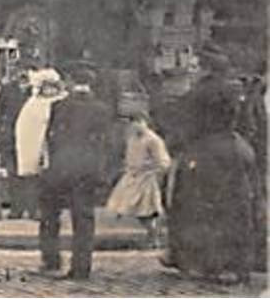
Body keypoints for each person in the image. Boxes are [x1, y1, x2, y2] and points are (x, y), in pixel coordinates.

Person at [165, 84, 261, 284]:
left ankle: (209, 264)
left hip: (218, 185)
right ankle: (232, 266)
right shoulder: (241, 145)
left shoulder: (204, 142)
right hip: (234, 188)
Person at [38, 65, 118, 280]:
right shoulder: (103, 109)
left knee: (49, 214)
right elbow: (109, 144)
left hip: (61, 169)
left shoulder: (59, 106)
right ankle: (82, 267)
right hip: (88, 171)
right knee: (84, 219)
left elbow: (51, 138)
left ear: (71, 81)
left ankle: (51, 259)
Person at [106, 111, 171, 249]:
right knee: (124, 205)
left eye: (137, 122)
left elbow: (164, 162)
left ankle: (154, 238)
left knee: (146, 211)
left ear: (144, 122)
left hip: (147, 178)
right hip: (132, 176)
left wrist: (153, 171)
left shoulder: (153, 140)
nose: (134, 126)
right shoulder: (132, 138)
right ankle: (151, 236)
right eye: (132, 123)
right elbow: (130, 156)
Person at [12, 68, 64, 219]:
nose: (49, 90)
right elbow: (26, 127)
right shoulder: (32, 104)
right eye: (46, 86)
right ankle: (34, 209)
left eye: (52, 86)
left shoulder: (61, 101)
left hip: (54, 144)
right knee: (33, 179)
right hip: (35, 144)